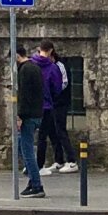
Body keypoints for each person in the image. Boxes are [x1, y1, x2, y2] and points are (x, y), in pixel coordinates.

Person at [13, 43, 46, 196]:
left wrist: (19, 116)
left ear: (17, 56)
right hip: (37, 113)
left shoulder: (24, 70)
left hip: (28, 115)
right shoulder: (35, 67)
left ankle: (37, 185)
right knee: (23, 147)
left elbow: (24, 95)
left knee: (27, 151)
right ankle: (32, 181)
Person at [36, 42, 73, 172]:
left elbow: (64, 83)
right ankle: (59, 160)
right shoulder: (44, 65)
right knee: (53, 131)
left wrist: (54, 94)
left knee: (61, 130)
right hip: (51, 103)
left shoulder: (59, 65)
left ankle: (72, 160)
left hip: (60, 103)